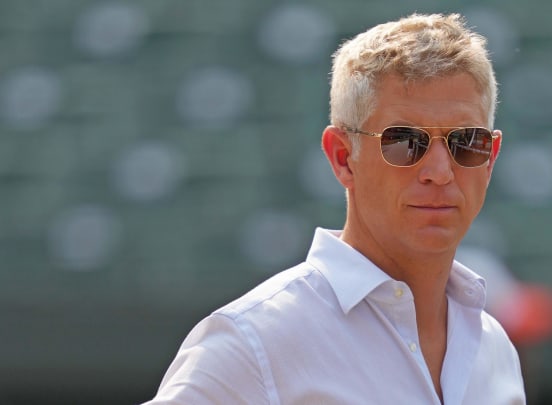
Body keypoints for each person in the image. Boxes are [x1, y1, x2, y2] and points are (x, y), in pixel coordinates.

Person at [145, 13, 525, 404]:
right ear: (343, 157)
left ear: (491, 157)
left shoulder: (496, 351)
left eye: (466, 142)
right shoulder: (255, 341)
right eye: (404, 141)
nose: (440, 171)